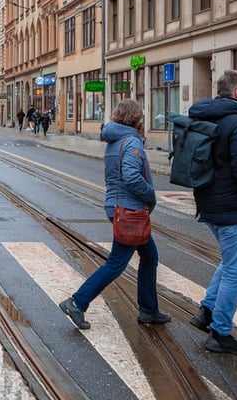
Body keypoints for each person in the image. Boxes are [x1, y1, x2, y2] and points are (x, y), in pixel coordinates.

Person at [60, 99, 168, 330]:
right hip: (130, 212)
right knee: (116, 263)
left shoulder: (115, 139)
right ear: (136, 118)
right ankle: (77, 302)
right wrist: (151, 195)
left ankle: (149, 309)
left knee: (150, 257)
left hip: (120, 206)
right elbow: (131, 176)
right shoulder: (130, 142)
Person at [188, 70, 237, 355]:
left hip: (208, 201)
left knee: (229, 261)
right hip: (233, 206)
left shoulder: (205, 116)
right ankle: (220, 332)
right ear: (236, 94)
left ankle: (206, 311)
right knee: (236, 270)